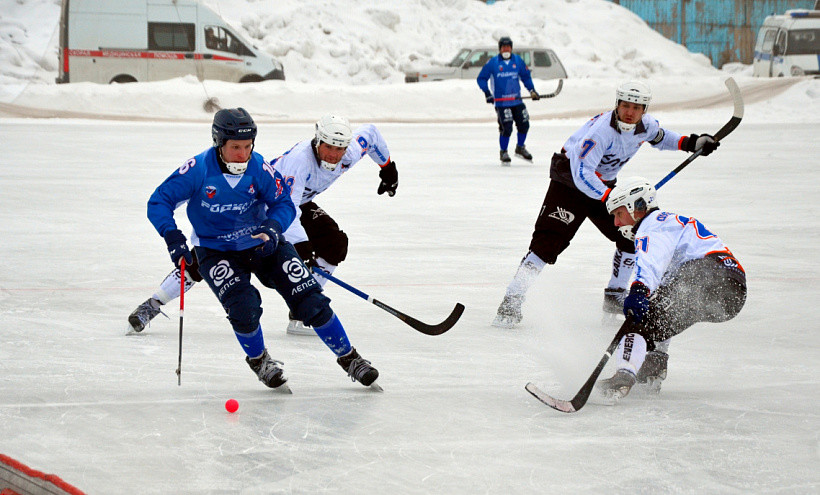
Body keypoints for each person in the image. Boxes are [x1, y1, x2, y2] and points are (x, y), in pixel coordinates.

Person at [144, 107, 380, 390]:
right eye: (235, 148)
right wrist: (173, 238)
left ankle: (349, 357)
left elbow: (283, 202)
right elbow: (159, 201)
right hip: (216, 250)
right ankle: (259, 360)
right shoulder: (198, 169)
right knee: (244, 307)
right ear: (219, 143)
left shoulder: (258, 168)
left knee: (309, 298)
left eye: (247, 146)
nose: (242, 154)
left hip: (263, 243)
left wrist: (273, 227)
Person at [491, 80, 721, 328]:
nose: (630, 112)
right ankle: (512, 298)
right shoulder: (601, 131)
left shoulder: (646, 125)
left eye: (636, 107)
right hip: (569, 183)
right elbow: (582, 173)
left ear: (644, 109)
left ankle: (615, 296)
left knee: (630, 235)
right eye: (625, 105)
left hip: (605, 187)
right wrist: (609, 197)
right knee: (546, 244)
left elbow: (660, 137)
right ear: (617, 105)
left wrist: (691, 143)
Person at [594, 177, 746, 402]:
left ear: (636, 207)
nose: (616, 223)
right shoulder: (669, 223)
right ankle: (654, 365)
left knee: (638, 319)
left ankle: (622, 379)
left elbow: (650, 263)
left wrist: (638, 291)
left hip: (707, 274)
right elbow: (665, 295)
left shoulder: (651, 225)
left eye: (618, 214)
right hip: (732, 291)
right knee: (656, 318)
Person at [476, 36, 540, 165]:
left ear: (511, 48)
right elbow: (481, 78)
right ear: (500, 49)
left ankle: (520, 147)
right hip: (502, 103)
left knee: (524, 123)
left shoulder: (518, 61)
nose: (506, 49)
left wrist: (532, 90)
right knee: (507, 127)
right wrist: (487, 93)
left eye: (508, 47)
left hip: (517, 100)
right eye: (503, 47)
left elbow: (526, 77)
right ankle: (503, 151)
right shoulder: (493, 63)